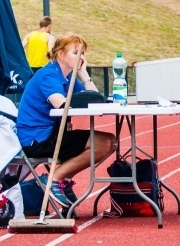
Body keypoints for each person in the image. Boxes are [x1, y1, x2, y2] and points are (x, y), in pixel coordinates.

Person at [16, 34, 115, 207]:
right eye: (76, 53)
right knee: (102, 143)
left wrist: (84, 74)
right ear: (61, 55)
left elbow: (95, 99)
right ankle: (54, 179)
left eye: (83, 53)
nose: (81, 57)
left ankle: (63, 179)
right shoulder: (48, 75)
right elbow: (61, 105)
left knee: (111, 141)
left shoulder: (68, 77)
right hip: (37, 140)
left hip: (53, 135)